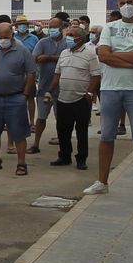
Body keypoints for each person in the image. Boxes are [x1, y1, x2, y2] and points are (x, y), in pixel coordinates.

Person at [88, 0, 133, 200]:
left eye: (130, 2)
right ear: (117, 5)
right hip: (110, 88)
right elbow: (103, 56)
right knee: (106, 136)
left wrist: (116, 56)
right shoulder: (109, 27)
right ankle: (102, 182)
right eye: (123, 2)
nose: (127, 5)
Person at [43, 24, 98, 170]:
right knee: (62, 130)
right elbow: (57, 74)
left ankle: (81, 159)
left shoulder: (90, 55)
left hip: (81, 99)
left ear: (80, 38)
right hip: (63, 98)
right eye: (67, 35)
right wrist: (49, 91)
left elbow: (96, 76)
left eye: (71, 35)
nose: (68, 38)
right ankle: (64, 156)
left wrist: (90, 93)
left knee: (81, 131)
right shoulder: (64, 53)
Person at [0, 21, 34, 175]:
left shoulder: (22, 50)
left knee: (19, 133)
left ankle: (21, 163)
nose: (2, 40)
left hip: (15, 98)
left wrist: (25, 94)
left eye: (5, 36)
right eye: (0, 37)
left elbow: (31, 73)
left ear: (12, 34)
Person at [28, 22, 64, 154]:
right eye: (51, 27)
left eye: (55, 27)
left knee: (62, 119)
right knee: (41, 117)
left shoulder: (67, 42)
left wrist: (48, 57)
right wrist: (54, 58)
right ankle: (35, 144)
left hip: (63, 88)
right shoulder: (43, 42)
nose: (52, 30)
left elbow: (67, 58)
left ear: (61, 28)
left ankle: (63, 145)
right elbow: (35, 58)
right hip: (44, 86)